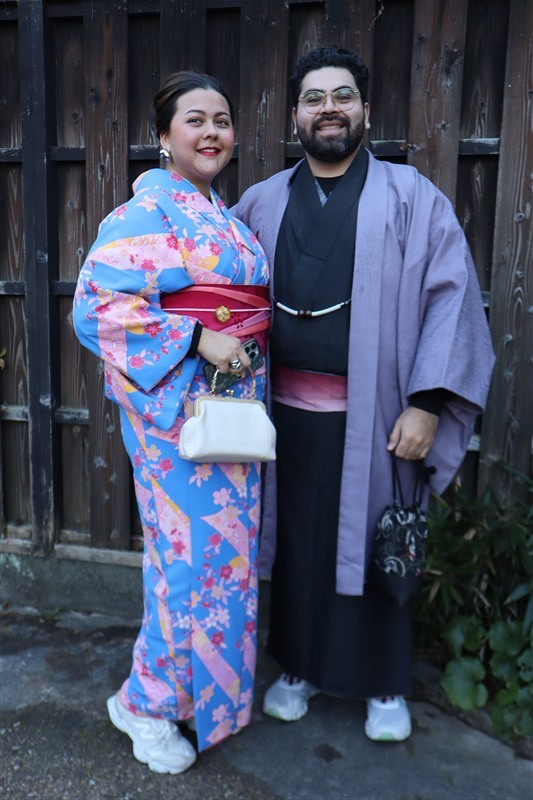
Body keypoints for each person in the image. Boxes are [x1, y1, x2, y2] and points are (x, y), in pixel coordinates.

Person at [232, 46, 495, 742]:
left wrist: (427, 404)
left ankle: (383, 683)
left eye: (342, 96)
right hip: (280, 418)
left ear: (366, 111)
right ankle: (296, 668)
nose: (329, 110)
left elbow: (451, 299)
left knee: (379, 543)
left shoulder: (412, 198)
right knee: (294, 546)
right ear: (295, 116)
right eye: (314, 98)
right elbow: (221, 298)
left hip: (379, 416)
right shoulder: (260, 202)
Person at [73, 71, 270, 773]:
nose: (212, 132)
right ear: (164, 136)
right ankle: (145, 703)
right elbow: (96, 308)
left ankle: (198, 699)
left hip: (231, 411)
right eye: (195, 119)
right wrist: (195, 337)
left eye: (222, 120)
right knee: (183, 566)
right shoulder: (146, 213)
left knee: (226, 563)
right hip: (176, 418)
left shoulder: (226, 219)